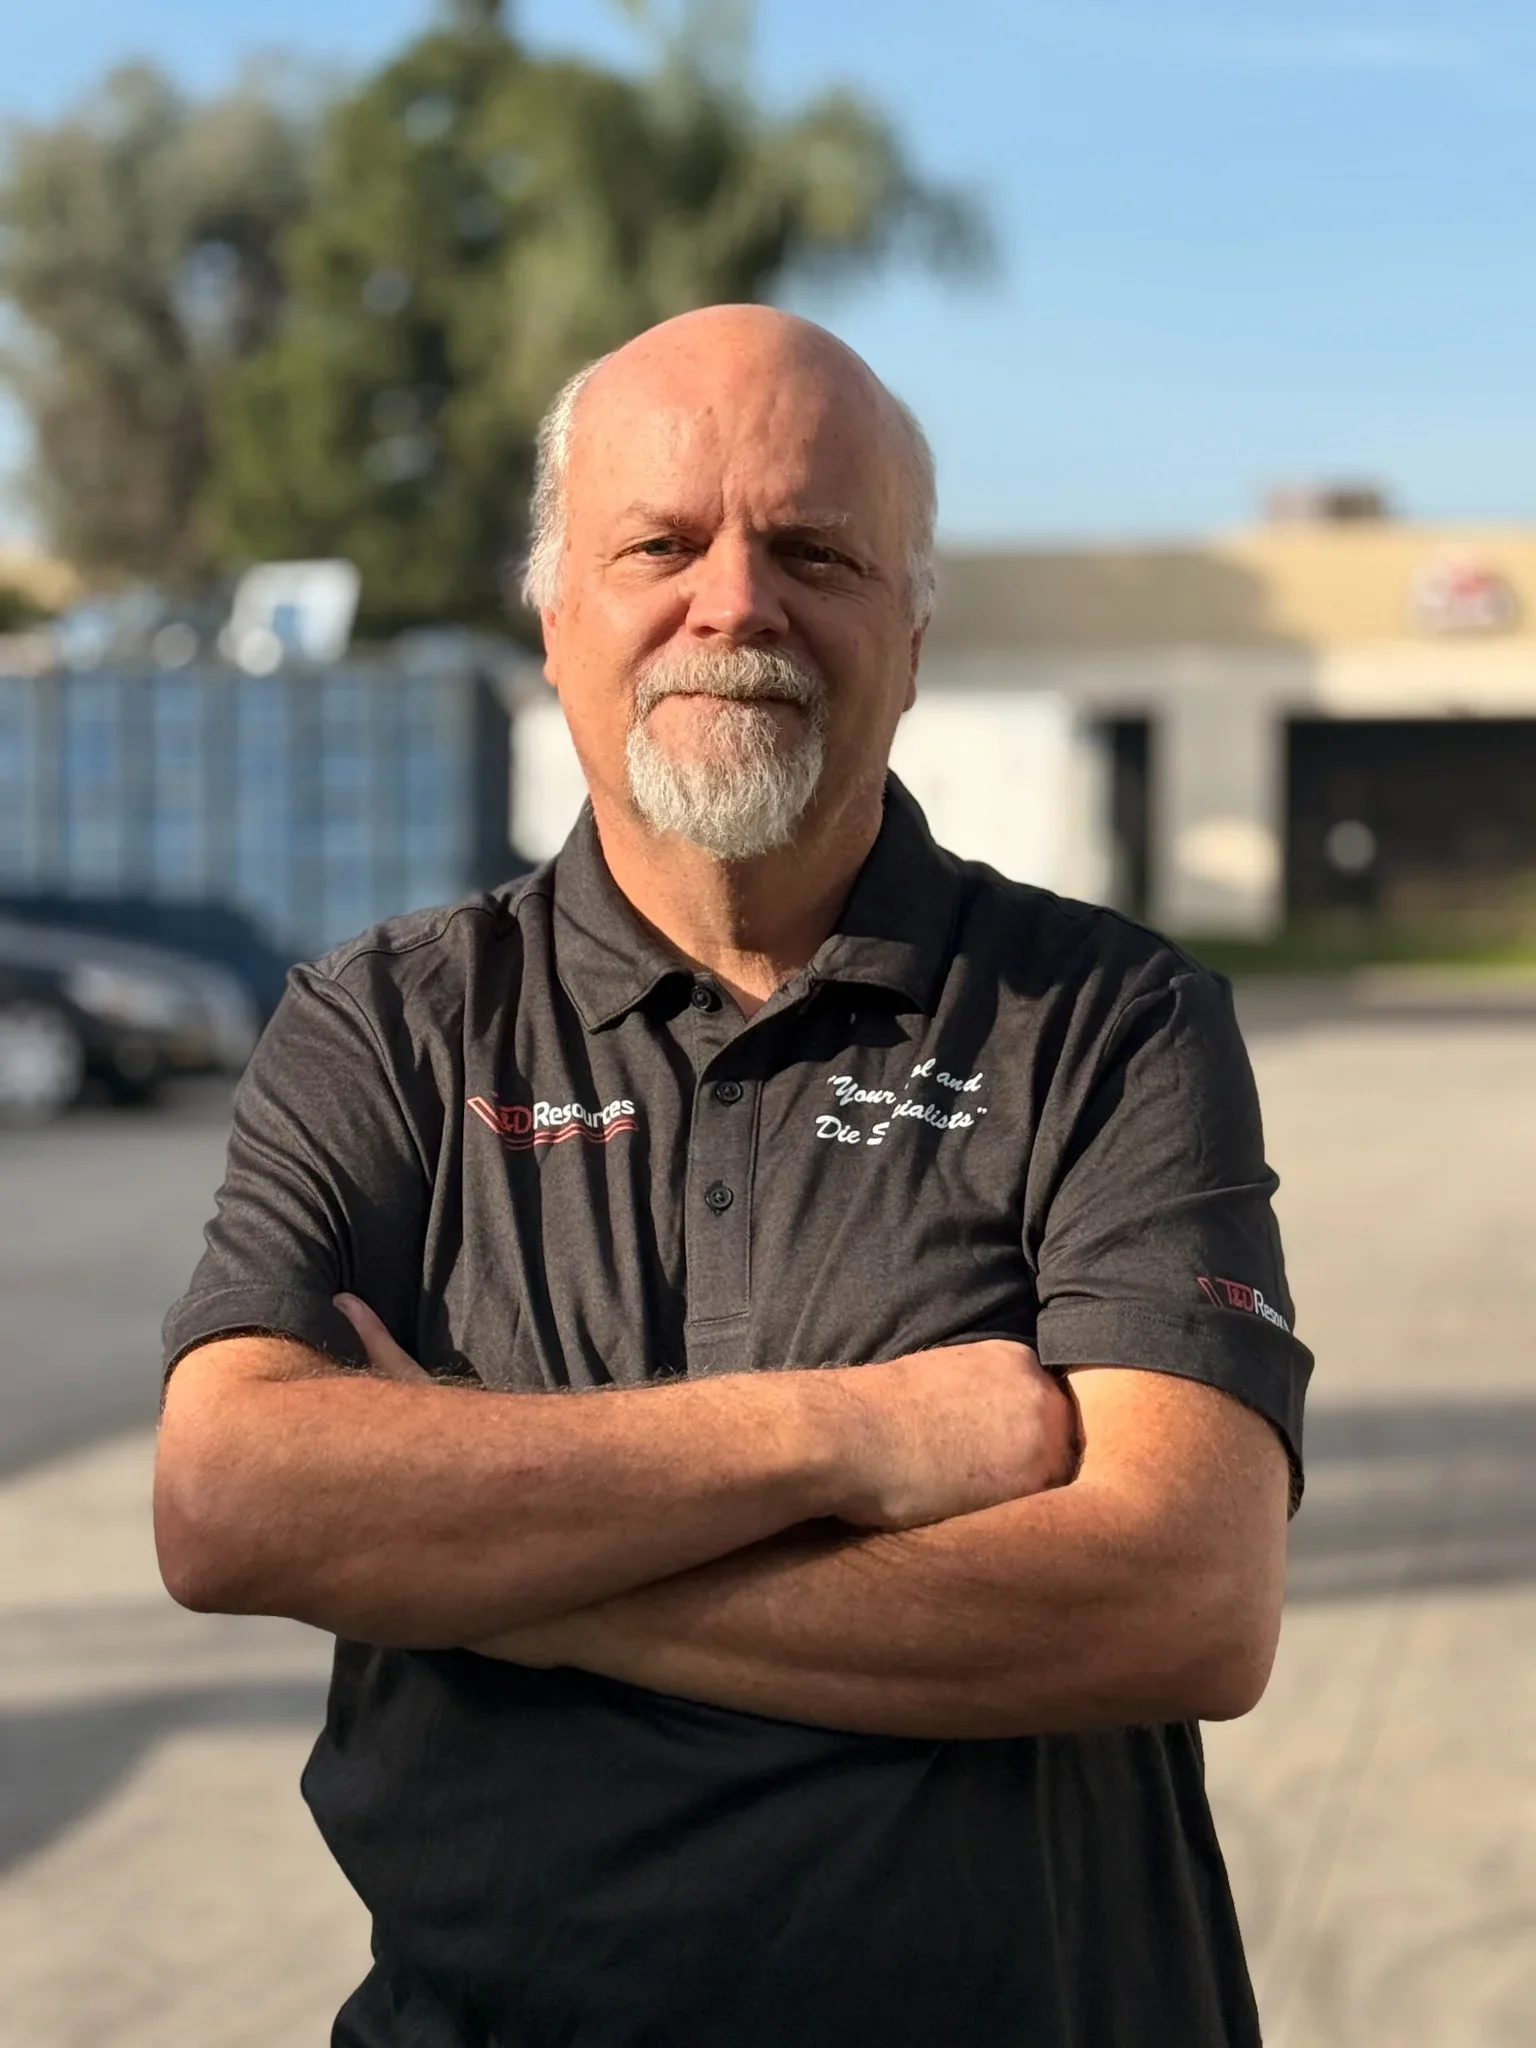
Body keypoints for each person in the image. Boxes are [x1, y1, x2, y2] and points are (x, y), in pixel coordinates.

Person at [156, 305, 1311, 2048]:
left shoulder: (1111, 1024)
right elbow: (236, 1499)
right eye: (661, 544)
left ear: (910, 638)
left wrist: (497, 1570)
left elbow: (1184, 1599)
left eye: (816, 550)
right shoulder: (385, 1027)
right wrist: (852, 1435)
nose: (737, 604)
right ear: (555, 619)